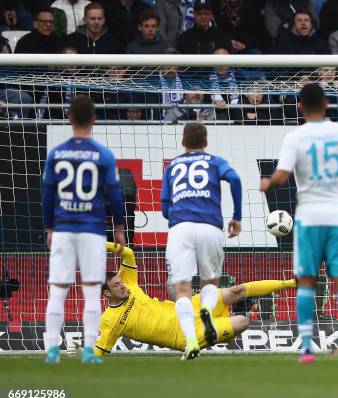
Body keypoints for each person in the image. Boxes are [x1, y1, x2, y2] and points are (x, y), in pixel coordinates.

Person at [260, 83, 338, 363]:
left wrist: (267, 183)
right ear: (326, 104)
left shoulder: (296, 137)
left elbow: (281, 176)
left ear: (300, 106)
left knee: (306, 281)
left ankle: (306, 347)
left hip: (310, 216)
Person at [95, 242, 297, 356]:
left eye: (121, 282)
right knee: (243, 321)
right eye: (116, 285)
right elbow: (99, 353)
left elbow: (128, 253)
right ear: (106, 293)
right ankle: (220, 330)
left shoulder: (129, 284)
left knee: (236, 290)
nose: (122, 286)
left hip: (189, 308)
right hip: (183, 335)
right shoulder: (110, 320)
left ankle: (291, 282)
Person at [42, 95, 126, 364]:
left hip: (64, 228)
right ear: (93, 119)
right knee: (91, 290)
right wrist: (120, 227)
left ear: (69, 119)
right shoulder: (103, 154)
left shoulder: (56, 153)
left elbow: (47, 195)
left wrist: (50, 226)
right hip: (92, 229)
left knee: (58, 290)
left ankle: (52, 350)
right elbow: (115, 194)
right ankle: (90, 350)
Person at [161, 122, 242, 360]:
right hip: (210, 226)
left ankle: (191, 341)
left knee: (182, 289)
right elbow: (235, 179)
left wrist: (179, 211)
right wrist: (236, 217)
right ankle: (206, 308)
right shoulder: (215, 161)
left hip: (180, 228)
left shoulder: (172, 165)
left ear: (183, 142)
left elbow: (165, 207)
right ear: (206, 143)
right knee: (210, 283)